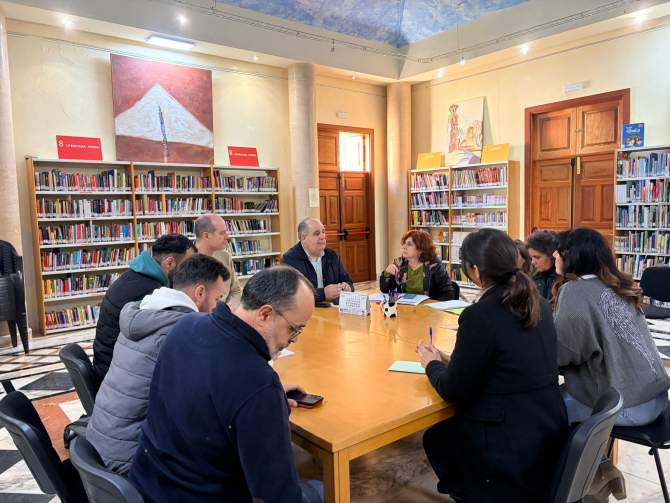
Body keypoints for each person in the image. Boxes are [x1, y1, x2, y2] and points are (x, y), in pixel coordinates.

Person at [129, 266, 323, 502]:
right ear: (265, 314)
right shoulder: (258, 383)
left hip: (148, 483)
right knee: (320, 489)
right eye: (294, 329)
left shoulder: (186, 325)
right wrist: (267, 402)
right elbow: (278, 494)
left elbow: (208, 390)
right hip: (200, 495)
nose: (295, 340)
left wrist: (267, 400)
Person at [417, 228, 567, 502]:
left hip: (507, 441)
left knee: (437, 438)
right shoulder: (539, 302)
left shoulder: (479, 315)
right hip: (546, 424)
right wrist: (449, 360)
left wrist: (431, 364)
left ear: (474, 270)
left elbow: (453, 390)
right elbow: (509, 360)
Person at [86, 254, 229, 475]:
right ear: (200, 293)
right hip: (131, 459)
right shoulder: (185, 330)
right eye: (218, 299)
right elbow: (203, 403)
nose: (218, 308)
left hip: (101, 446)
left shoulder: (143, 312)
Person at [553, 227, 670, 426]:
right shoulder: (619, 285)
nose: (554, 255)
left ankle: (582, 448)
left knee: (543, 408)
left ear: (571, 256)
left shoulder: (574, 290)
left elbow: (562, 354)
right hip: (656, 399)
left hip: (626, 406)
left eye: (558, 251)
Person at [92, 234, 196, 381]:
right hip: (118, 375)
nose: (190, 272)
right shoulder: (151, 293)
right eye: (187, 266)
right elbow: (162, 345)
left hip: (108, 365)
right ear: (169, 263)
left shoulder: (135, 275)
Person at [281, 217, 353, 304]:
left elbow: (348, 280)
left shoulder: (332, 255)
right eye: (316, 233)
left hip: (333, 308)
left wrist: (348, 287)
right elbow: (290, 294)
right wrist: (323, 293)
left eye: (323, 232)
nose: (322, 237)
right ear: (303, 237)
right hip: (306, 309)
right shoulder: (289, 259)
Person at [380, 230, 459, 301]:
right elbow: (385, 289)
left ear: (421, 249)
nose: (404, 247)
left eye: (409, 244)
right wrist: (386, 274)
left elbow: (448, 294)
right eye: (404, 243)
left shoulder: (434, 265)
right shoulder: (400, 263)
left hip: (428, 309)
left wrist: (433, 307)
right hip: (405, 307)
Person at [194, 214, 242, 306]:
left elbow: (235, 291)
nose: (227, 236)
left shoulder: (225, 256)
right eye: (222, 233)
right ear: (206, 236)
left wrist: (229, 307)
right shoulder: (187, 260)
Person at [526, 230, 558, 299]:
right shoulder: (531, 278)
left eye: (537, 257)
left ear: (551, 254)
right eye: (531, 257)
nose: (533, 262)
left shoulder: (563, 280)